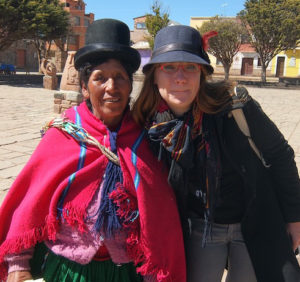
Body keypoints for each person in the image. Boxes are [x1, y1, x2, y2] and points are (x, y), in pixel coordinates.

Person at [0, 19, 186, 282]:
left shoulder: (145, 140)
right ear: (85, 88)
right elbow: (29, 206)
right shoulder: (63, 135)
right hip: (69, 271)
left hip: (125, 273)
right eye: (100, 78)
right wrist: (18, 265)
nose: (112, 87)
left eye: (120, 77)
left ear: (130, 85)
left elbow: (158, 216)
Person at [132, 24, 300, 282]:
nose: (181, 77)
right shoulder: (149, 124)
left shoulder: (235, 107)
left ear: (202, 74)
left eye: (190, 67)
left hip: (252, 222)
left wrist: (294, 217)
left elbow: (281, 156)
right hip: (200, 228)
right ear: (154, 75)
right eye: (169, 67)